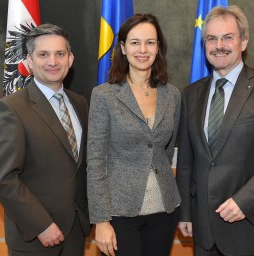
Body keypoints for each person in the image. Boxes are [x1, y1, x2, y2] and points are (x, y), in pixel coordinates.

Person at [176, 5, 254, 256]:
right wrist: (186, 213)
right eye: (211, 39)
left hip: (250, 230)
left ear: (243, 42)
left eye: (227, 37)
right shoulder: (191, 94)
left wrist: (244, 201)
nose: (218, 45)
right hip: (203, 233)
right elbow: (186, 162)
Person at [0, 23, 90, 256]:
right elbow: (3, 178)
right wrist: (41, 225)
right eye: (43, 54)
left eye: (60, 54)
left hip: (75, 232)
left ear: (70, 58)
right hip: (35, 237)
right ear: (30, 62)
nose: (53, 61)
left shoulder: (81, 103)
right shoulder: (11, 108)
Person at [87, 13, 181, 256]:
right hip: (119, 212)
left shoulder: (172, 95)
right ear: (123, 48)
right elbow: (95, 161)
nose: (143, 49)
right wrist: (101, 220)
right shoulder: (103, 95)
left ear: (158, 48)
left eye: (150, 42)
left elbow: (165, 151)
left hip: (164, 209)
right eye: (135, 42)